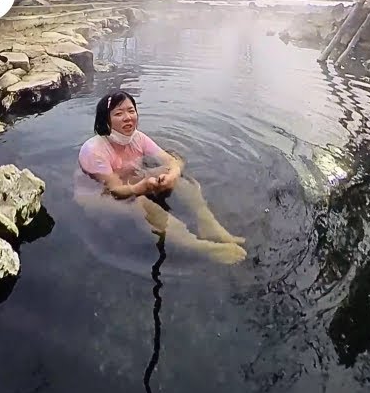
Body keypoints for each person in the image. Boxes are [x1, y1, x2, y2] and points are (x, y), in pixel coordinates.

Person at [77, 90, 247, 264]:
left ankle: (208, 222)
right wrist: (140, 188)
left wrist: (172, 176)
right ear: (105, 120)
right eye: (119, 114)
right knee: (141, 205)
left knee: (182, 180)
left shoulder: (137, 138)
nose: (128, 117)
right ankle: (198, 246)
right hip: (97, 195)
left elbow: (172, 160)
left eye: (131, 110)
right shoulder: (95, 150)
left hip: (131, 181)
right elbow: (114, 190)